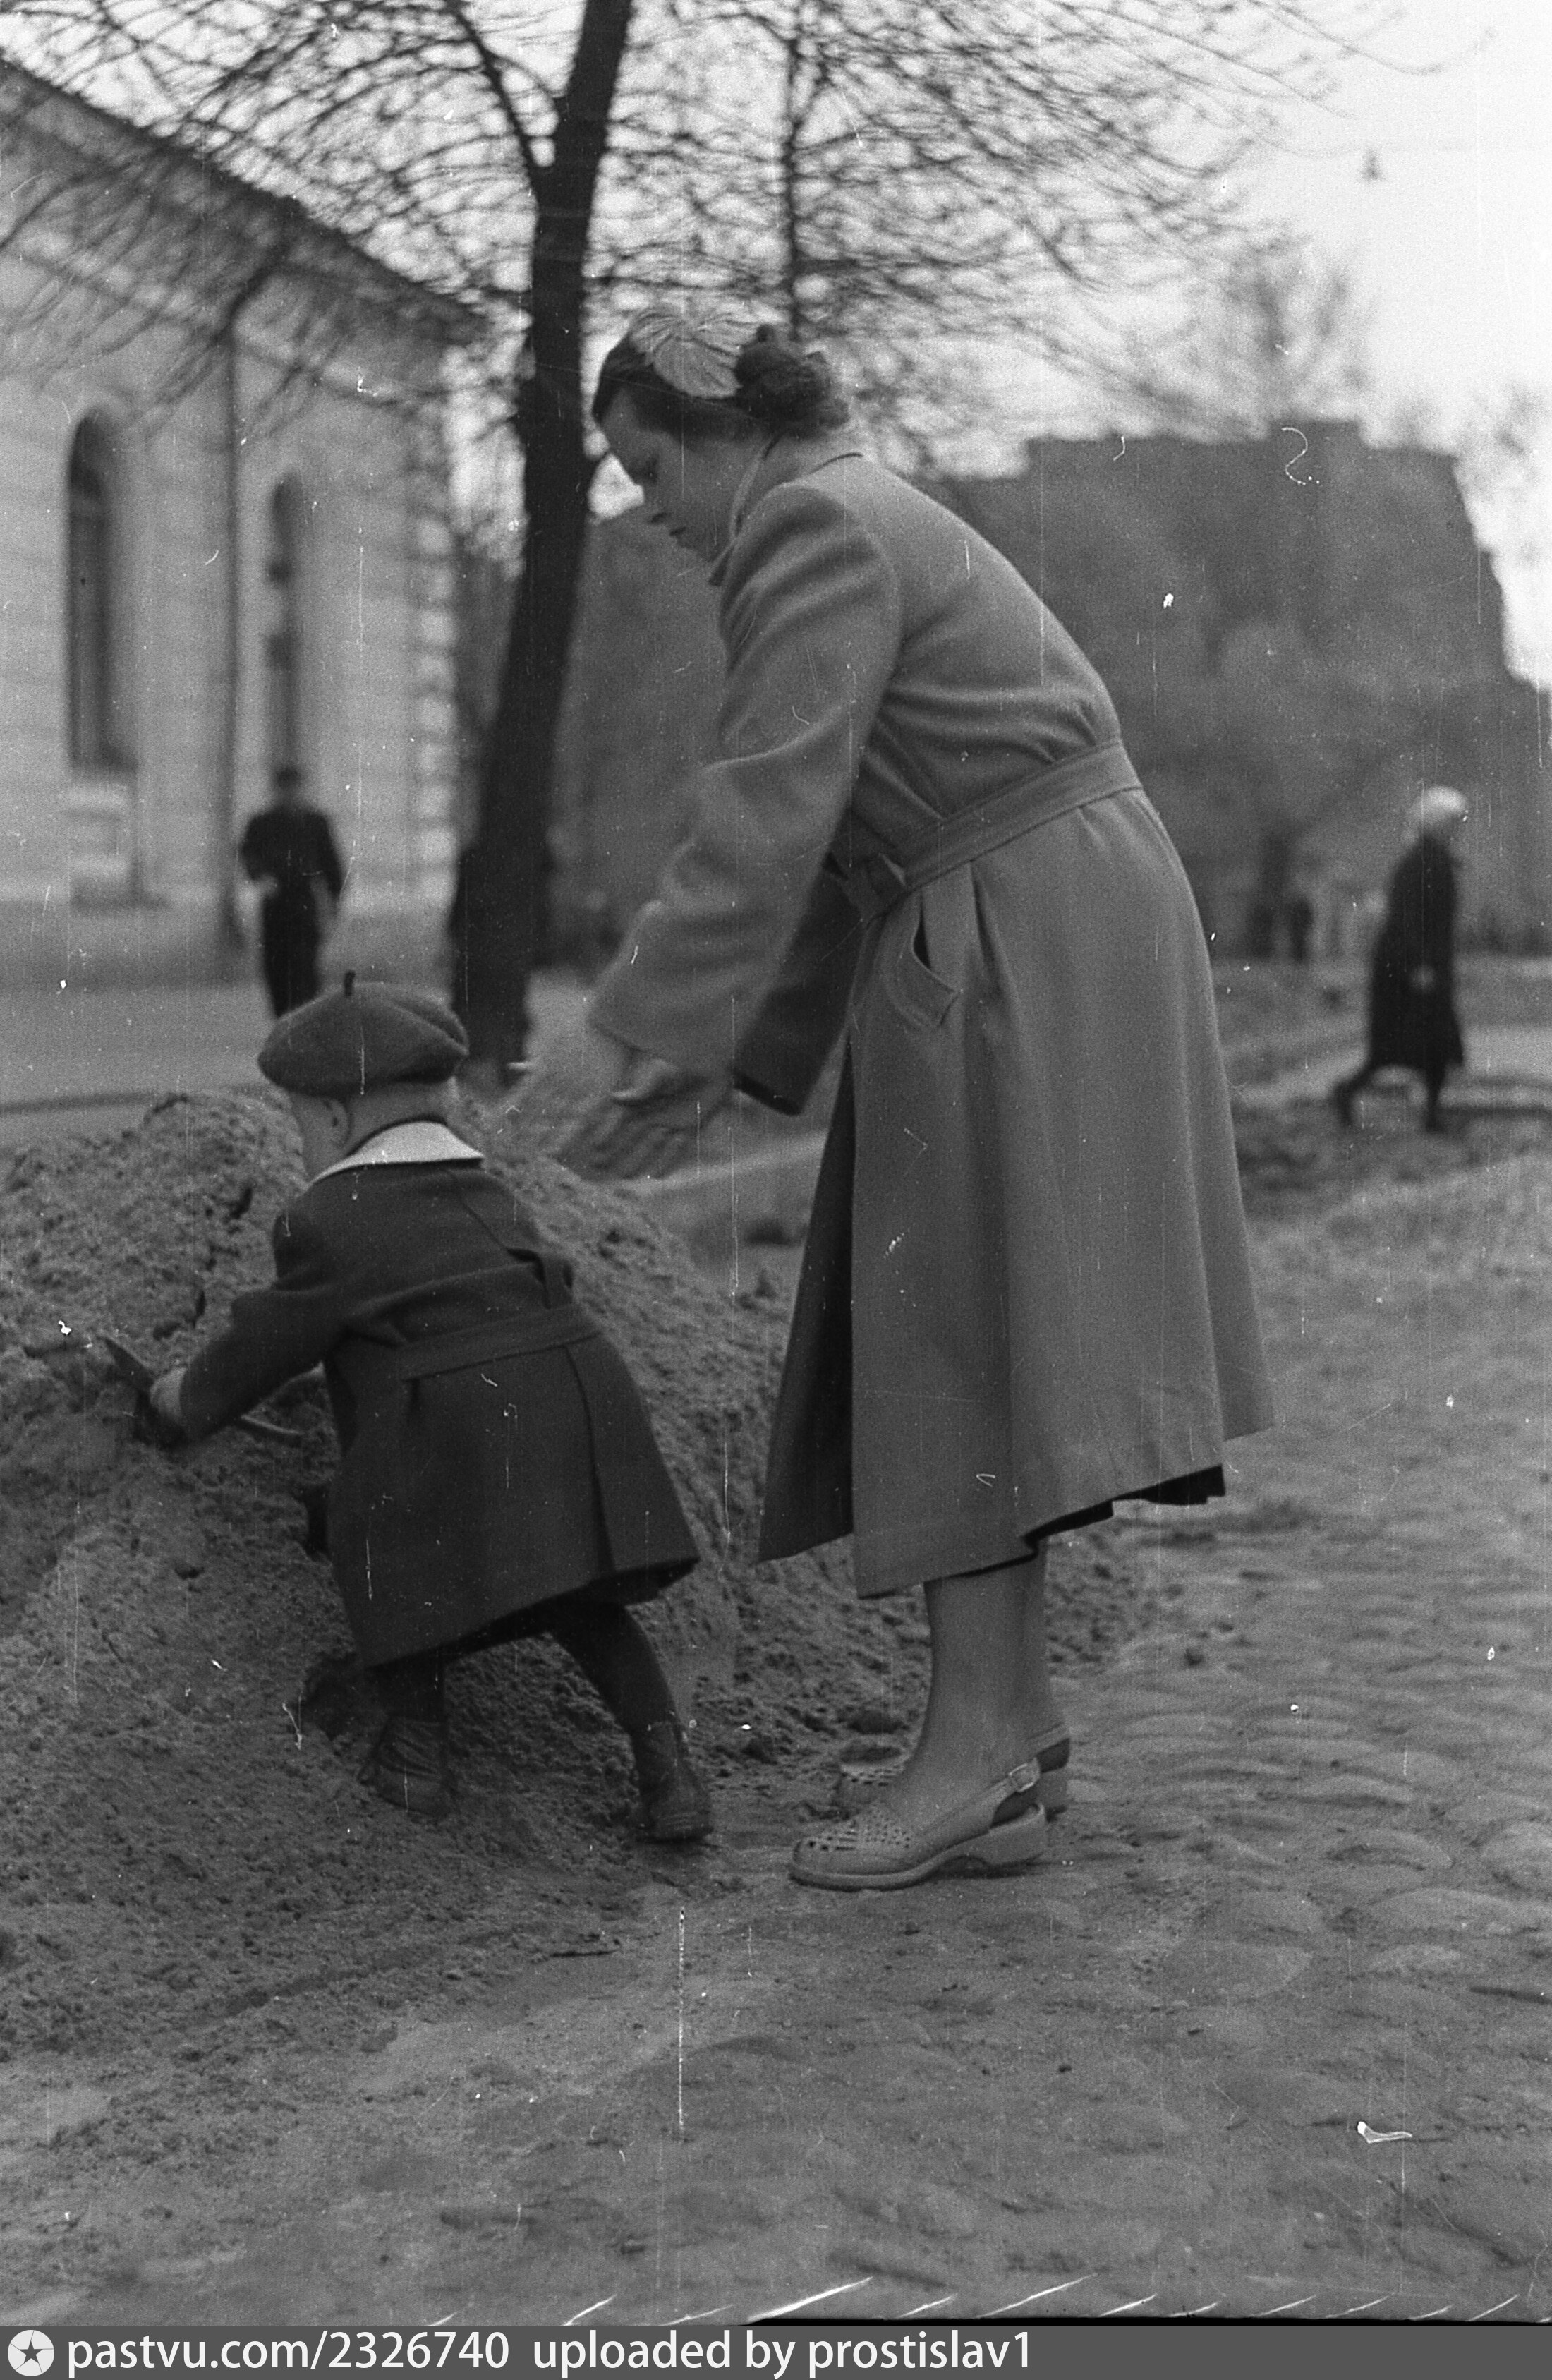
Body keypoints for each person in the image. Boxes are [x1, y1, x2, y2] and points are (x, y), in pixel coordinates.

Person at [520, 301, 1273, 1892]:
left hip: (1011, 922)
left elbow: (761, 820)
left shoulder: (806, 528)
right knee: (981, 1324)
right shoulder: (857, 510)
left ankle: (977, 1754)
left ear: (728, 431)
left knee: (954, 1334)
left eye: (650, 468)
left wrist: (622, 1038)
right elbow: (829, 847)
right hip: (1032, 905)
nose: (646, 509)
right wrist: (717, 1064)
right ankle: (1009, 1727)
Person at [147, 974, 711, 1838]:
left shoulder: (326, 1218)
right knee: (585, 1602)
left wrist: (181, 1399)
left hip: (454, 1425)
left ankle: (416, 1757)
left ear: (335, 1120)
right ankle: (669, 1772)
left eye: (301, 1125)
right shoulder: (490, 1193)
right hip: (576, 1398)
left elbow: (263, 1344)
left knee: (382, 1544)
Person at [1331, 786, 1468, 1135]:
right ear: (1436, 823)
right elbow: (1407, 918)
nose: (1457, 829)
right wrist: (1419, 965)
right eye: (1452, 822)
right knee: (1401, 1046)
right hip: (1412, 968)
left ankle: (1430, 1114)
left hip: (1425, 965)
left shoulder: (1436, 859)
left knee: (1431, 1044)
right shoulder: (1419, 862)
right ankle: (1349, 1092)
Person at [238, 766, 346, 1017]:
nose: (291, 794)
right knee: (275, 964)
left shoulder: (316, 822)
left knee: (305, 964)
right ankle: (282, 1018)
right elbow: (248, 855)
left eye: (295, 788)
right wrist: (261, 877)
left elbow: (331, 864)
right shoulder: (261, 823)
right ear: (277, 791)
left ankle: (305, 1017)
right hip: (275, 902)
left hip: (304, 902)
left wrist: (334, 901)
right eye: (285, 789)